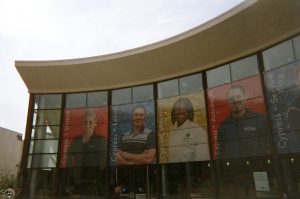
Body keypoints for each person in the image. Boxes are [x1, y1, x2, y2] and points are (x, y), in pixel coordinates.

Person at [217, 84, 270, 159]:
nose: (235, 100)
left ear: (245, 97)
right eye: (232, 98)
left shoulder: (261, 120)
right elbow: (220, 156)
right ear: (228, 102)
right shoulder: (223, 127)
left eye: (238, 96)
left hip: (258, 169)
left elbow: (271, 149)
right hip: (233, 170)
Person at [66, 109, 106, 195]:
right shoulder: (76, 139)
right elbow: (68, 158)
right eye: (85, 122)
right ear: (82, 123)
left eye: (90, 122)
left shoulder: (100, 140)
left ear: (95, 123)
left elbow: (103, 163)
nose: (87, 124)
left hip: (94, 181)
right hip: (77, 181)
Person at [168, 97, 209, 163]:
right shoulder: (172, 132)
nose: (179, 110)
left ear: (189, 112)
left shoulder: (198, 130)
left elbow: (203, 160)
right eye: (177, 108)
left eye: (183, 107)